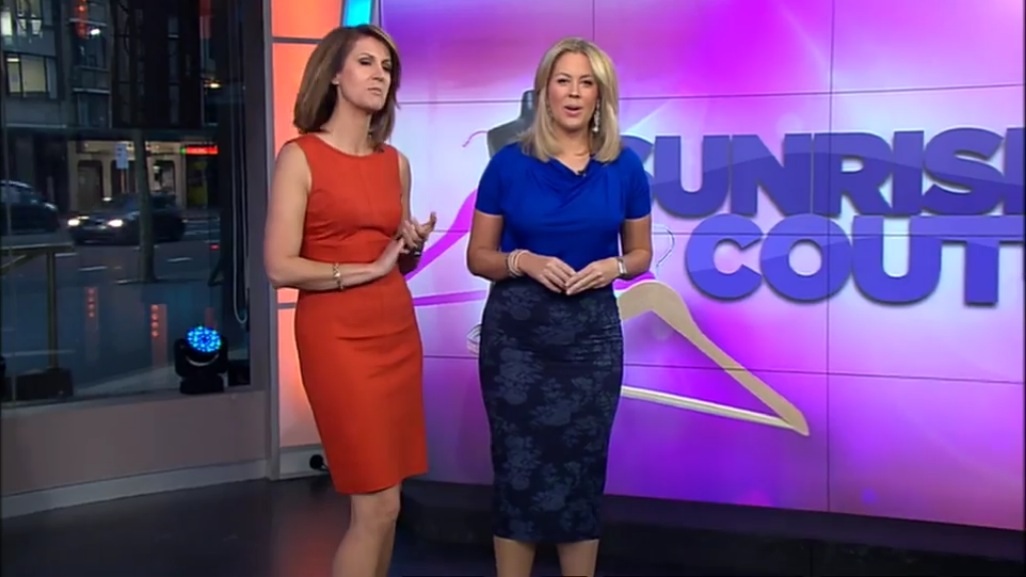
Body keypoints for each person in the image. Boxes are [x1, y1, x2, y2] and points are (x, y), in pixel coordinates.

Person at [465, 37, 654, 577]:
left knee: (581, 469)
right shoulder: (508, 165)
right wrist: (521, 260)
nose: (573, 93)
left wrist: (614, 267)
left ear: (600, 95)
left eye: (585, 83)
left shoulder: (624, 167)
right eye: (563, 81)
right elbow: (478, 256)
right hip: (517, 340)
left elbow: (640, 253)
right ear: (544, 91)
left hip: (591, 338)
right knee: (517, 468)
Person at [263, 24, 436, 577]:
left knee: (390, 507)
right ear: (334, 74)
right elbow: (279, 266)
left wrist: (408, 249)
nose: (380, 75)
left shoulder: (395, 162)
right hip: (337, 338)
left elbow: (395, 261)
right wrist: (368, 269)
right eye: (366, 63)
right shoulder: (300, 157)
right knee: (374, 506)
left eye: (387, 68)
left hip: (396, 332)